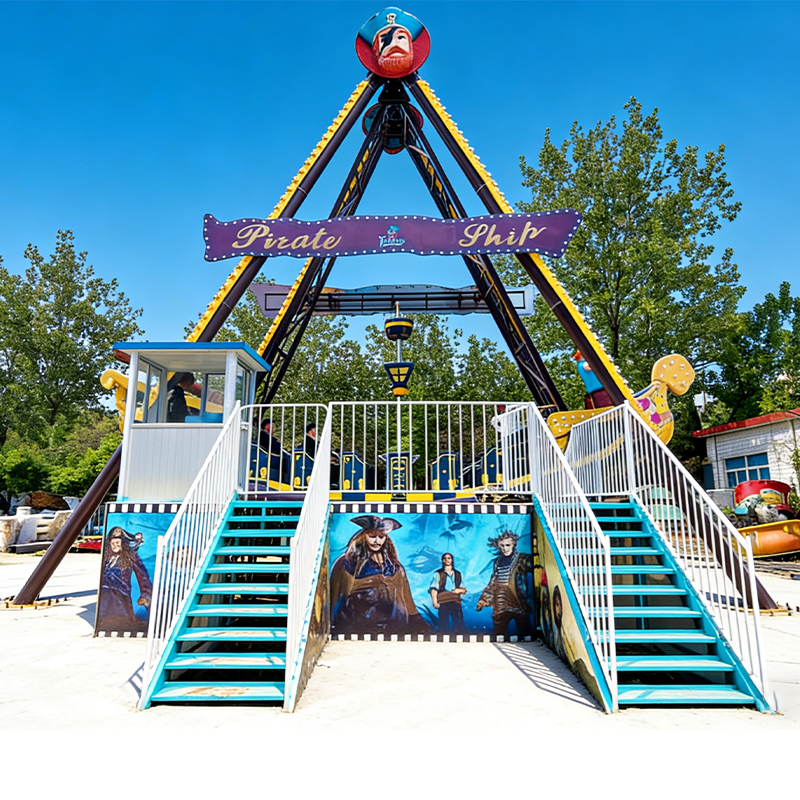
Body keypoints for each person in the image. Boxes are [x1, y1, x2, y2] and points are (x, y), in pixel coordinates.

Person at [330, 515, 429, 637]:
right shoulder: (346, 563)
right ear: (363, 537)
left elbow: (407, 600)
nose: (377, 541)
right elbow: (333, 599)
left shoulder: (395, 567)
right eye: (372, 536)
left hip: (392, 628)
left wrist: (418, 622)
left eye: (381, 537)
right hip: (356, 626)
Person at [476, 530, 533, 637]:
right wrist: (483, 600)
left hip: (518, 601)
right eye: (502, 545)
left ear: (514, 545)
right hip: (501, 603)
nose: (505, 548)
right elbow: (493, 582)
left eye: (508, 545)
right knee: (499, 632)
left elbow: (533, 565)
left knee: (524, 630)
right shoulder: (498, 562)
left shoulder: (521, 559)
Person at [98, 527, 152, 632]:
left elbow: (142, 575)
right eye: (113, 543)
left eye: (118, 543)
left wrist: (145, 594)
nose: (115, 545)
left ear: (123, 543)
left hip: (120, 596)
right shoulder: (107, 559)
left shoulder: (130, 557)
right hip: (105, 594)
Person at [429, 552, 467, 635]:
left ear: (452, 560)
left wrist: (460, 590)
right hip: (443, 601)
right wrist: (435, 602)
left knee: (458, 625)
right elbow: (434, 589)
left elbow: (463, 589)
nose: (447, 560)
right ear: (442, 560)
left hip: (455, 601)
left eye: (449, 558)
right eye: (445, 558)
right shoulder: (438, 574)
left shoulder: (458, 574)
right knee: (443, 625)